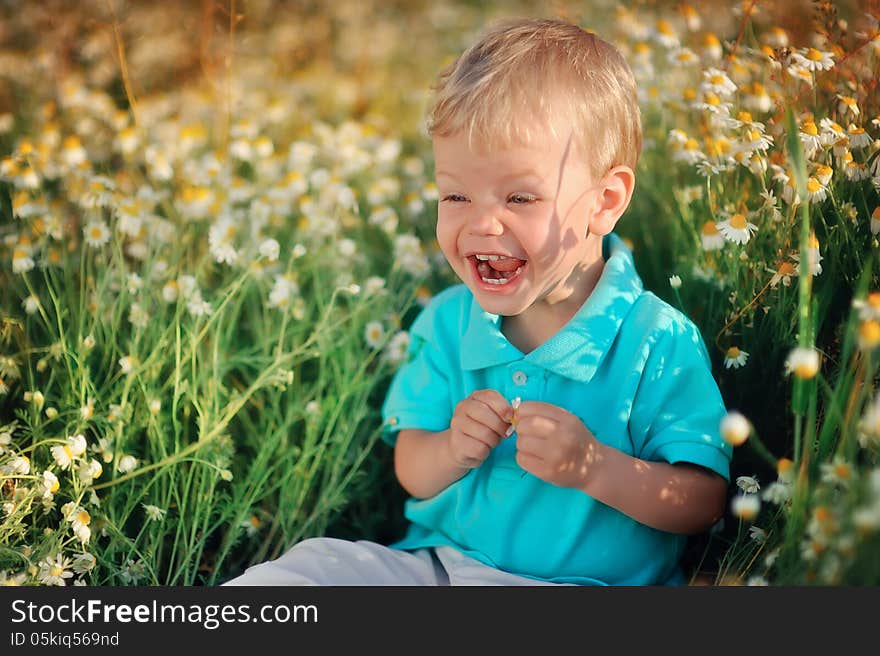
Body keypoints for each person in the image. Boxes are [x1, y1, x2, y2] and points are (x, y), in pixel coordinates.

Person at [224, 16, 732, 587]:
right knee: (306, 572)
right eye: (456, 194)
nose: (482, 223)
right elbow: (412, 469)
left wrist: (595, 468)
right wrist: (450, 449)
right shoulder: (448, 321)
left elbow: (702, 500)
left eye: (520, 196)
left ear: (605, 201)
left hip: (585, 589)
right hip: (442, 570)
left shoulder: (656, 339)